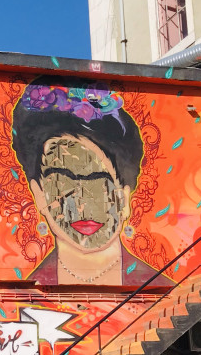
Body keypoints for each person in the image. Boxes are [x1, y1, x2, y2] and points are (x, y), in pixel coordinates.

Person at [11, 78, 170, 286]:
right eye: (63, 181)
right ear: (39, 193)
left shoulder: (162, 290)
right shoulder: (25, 296)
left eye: (98, 180)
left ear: (124, 195)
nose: (82, 204)